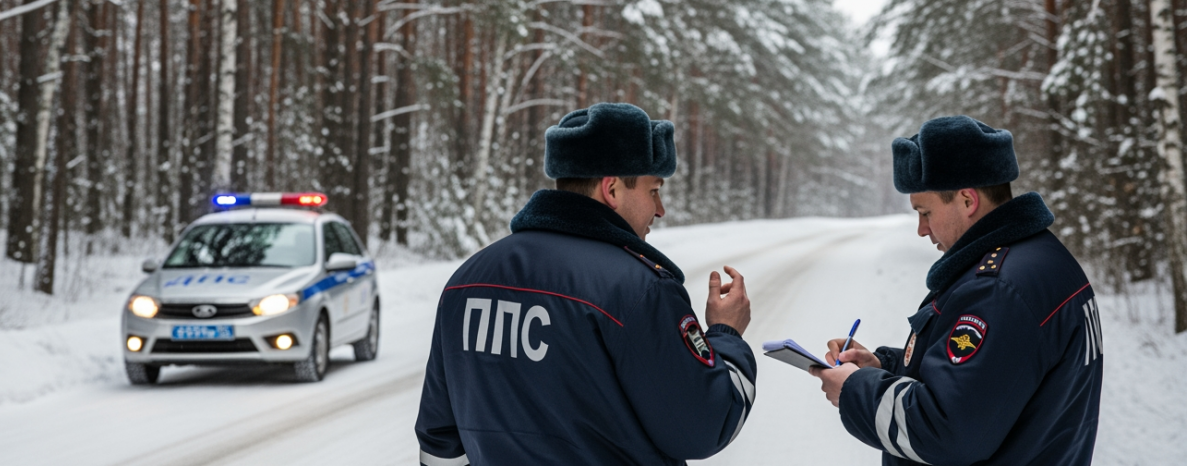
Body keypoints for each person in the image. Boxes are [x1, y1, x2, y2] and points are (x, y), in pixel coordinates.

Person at [415, 102, 757, 466]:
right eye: (653, 190)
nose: (660, 209)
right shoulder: (640, 291)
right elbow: (704, 426)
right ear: (611, 190)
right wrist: (726, 334)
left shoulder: (465, 281)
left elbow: (440, 443)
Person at [809, 115, 1103, 465]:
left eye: (925, 212)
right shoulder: (1042, 256)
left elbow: (945, 431)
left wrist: (854, 390)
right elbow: (987, 386)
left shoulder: (997, 291)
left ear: (967, 200)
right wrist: (880, 367)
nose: (921, 229)